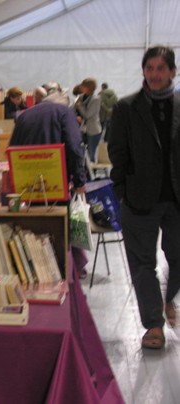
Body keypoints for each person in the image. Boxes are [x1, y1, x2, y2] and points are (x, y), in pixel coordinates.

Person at [108, 45, 180, 350]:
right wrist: (122, 189)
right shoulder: (126, 107)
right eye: (149, 68)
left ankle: (166, 300)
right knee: (142, 264)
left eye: (160, 69)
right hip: (139, 199)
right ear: (143, 72)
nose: (154, 74)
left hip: (177, 199)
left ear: (173, 72)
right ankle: (153, 324)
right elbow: (117, 150)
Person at [10, 81, 88, 279]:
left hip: (27, 186)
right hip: (56, 185)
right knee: (60, 230)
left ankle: (37, 271)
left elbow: (12, 150)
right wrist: (79, 181)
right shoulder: (64, 113)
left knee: (34, 230)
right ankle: (64, 273)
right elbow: (74, 147)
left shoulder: (24, 116)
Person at [74, 78, 102, 162]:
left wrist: (80, 105)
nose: (81, 87)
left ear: (89, 87)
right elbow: (74, 108)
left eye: (83, 86)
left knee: (91, 153)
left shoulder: (96, 99)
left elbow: (88, 114)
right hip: (82, 129)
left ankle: (92, 172)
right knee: (80, 150)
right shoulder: (81, 97)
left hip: (93, 130)